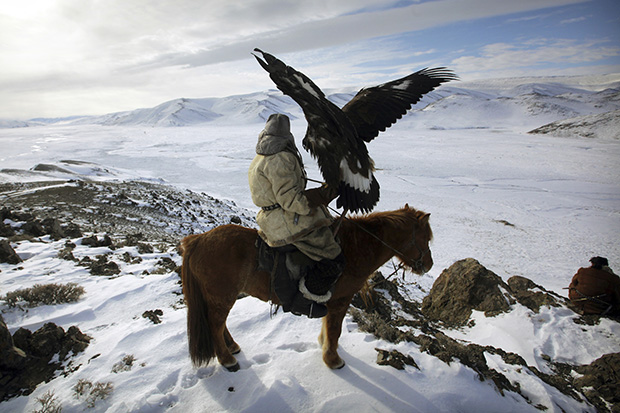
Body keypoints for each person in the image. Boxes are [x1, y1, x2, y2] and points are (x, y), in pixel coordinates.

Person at [248, 114, 345, 318]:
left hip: (271, 217)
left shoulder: (260, 157)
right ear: (287, 135)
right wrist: (322, 196)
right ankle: (303, 302)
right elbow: (291, 201)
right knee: (333, 256)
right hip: (284, 221)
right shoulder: (281, 157)